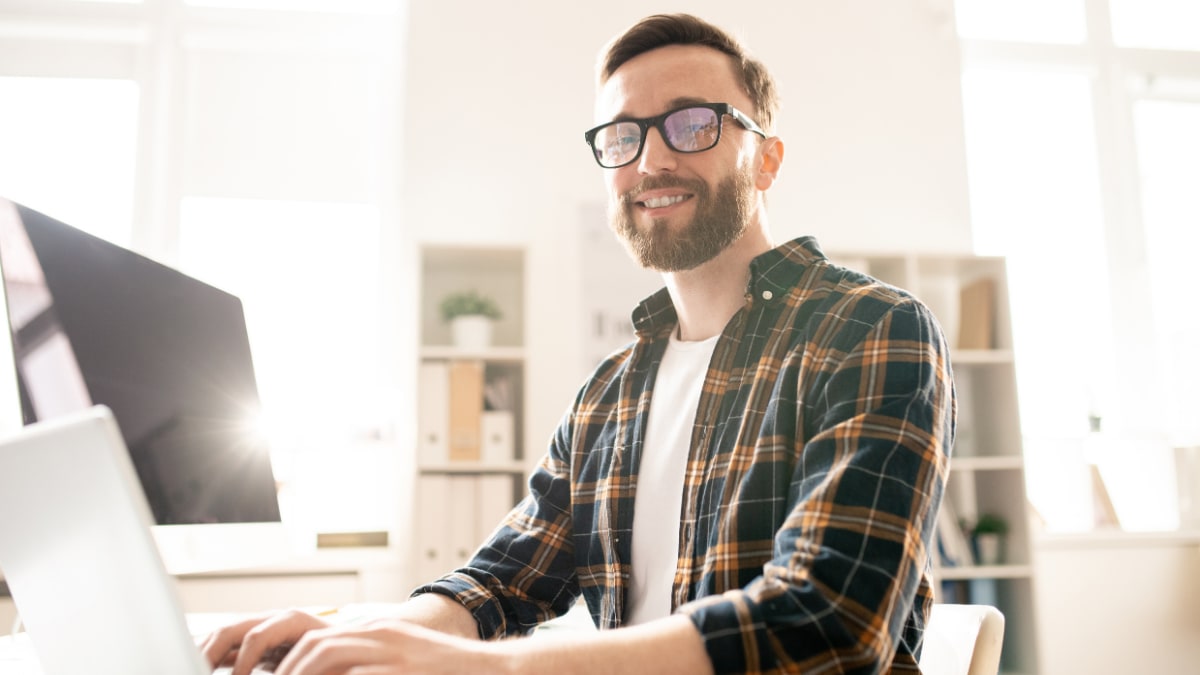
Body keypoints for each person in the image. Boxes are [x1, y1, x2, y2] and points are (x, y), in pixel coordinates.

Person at [202, 12, 954, 675]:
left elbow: (827, 620)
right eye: (623, 136)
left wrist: (481, 669)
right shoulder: (610, 392)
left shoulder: (872, 327)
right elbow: (498, 583)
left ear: (766, 158)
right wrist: (344, 630)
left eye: (693, 123)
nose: (651, 161)